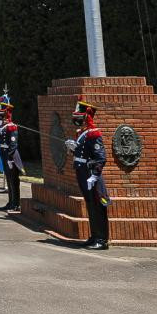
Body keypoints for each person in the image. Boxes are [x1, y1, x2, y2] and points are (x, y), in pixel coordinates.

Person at [64, 99, 109, 250]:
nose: (76, 119)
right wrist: (73, 148)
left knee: (98, 206)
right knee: (90, 206)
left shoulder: (94, 133)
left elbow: (100, 158)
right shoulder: (82, 133)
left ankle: (102, 240)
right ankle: (94, 235)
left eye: (79, 116)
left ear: (86, 117)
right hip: (82, 173)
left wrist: (95, 176)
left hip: (91, 175)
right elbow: (82, 154)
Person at [0, 99, 23, 211]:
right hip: (4, 154)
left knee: (14, 180)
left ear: (7, 113)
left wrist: (10, 158)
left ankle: (16, 204)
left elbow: (13, 144)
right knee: (9, 179)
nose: (0, 116)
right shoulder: (3, 127)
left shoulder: (11, 127)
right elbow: (0, 141)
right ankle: (10, 202)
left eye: (2, 114)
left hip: (11, 156)